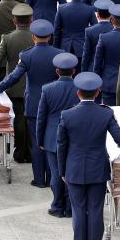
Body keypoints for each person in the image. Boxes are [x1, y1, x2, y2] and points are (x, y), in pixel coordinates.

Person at [57, 72, 120, 240]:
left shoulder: (67, 115)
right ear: (97, 93)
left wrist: (62, 171)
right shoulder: (105, 113)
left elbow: (61, 146)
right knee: (95, 209)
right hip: (98, 169)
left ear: (78, 93)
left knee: (79, 210)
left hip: (74, 168)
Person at [0, 20, 64, 188]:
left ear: (33, 37)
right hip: (53, 104)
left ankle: (39, 179)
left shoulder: (27, 55)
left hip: (34, 104)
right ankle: (53, 178)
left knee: (37, 142)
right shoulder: (59, 54)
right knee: (52, 141)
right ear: (50, 37)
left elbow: (13, 77)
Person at [0, 3, 34, 162]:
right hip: (32, 86)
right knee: (31, 120)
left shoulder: (8, 38)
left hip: (15, 85)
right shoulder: (37, 36)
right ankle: (31, 153)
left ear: (14, 21)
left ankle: (19, 152)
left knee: (19, 119)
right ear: (31, 20)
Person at [37, 53, 80, 218]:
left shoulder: (47, 89)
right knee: (69, 173)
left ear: (57, 71)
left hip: (52, 137)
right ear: (74, 71)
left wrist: (40, 139)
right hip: (73, 137)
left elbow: (42, 117)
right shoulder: (79, 89)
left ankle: (57, 206)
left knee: (56, 173)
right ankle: (70, 207)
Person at [92, 4, 120, 105]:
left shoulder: (104, 38)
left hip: (109, 82)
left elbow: (97, 64)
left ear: (112, 20)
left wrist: (96, 82)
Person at [54, 0, 96, 71]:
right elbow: (94, 28)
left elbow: (57, 30)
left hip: (64, 46)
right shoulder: (89, 9)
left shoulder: (61, 8)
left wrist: (56, 48)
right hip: (82, 46)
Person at [82, 0, 113, 74]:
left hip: (92, 68)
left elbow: (86, 54)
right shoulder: (114, 29)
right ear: (111, 15)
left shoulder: (89, 31)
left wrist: (83, 71)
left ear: (98, 15)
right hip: (110, 70)